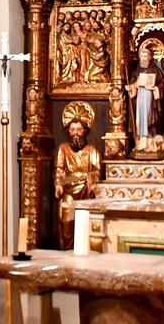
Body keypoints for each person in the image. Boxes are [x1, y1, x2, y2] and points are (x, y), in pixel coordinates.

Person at [53, 105, 102, 249]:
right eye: (72, 130)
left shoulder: (93, 151)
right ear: (68, 130)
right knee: (67, 221)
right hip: (68, 191)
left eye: (79, 130)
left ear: (85, 131)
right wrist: (58, 185)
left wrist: (91, 182)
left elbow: (97, 172)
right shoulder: (63, 149)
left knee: (86, 222)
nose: (76, 133)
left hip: (86, 192)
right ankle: (67, 249)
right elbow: (58, 170)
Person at [126, 43, 164, 153]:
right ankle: (141, 143)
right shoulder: (136, 70)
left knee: (150, 118)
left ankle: (151, 144)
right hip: (140, 99)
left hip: (151, 99)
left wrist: (154, 88)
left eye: (145, 56)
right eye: (142, 56)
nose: (144, 59)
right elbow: (134, 83)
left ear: (150, 57)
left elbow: (162, 85)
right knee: (140, 120)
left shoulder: (156, 70)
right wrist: (131, 87)